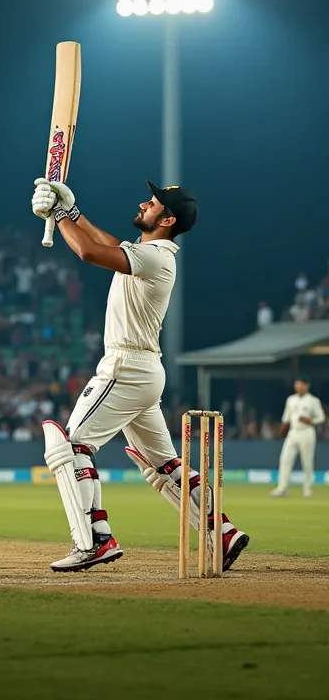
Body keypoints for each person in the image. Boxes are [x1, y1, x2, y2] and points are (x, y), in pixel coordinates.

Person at [31, 177, 250, 573]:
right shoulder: (153, 252)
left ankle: (96, 540)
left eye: (151, 204)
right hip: (144, 370)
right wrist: (74, 214)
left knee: (71, 446)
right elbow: (110, 245)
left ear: (166, 220)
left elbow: (88, 252)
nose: (143, 204)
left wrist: (57, 214)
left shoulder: (158, 256)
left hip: (126, 367)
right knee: (163, 466)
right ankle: (222, 532)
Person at [271, 376, 325, 498]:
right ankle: (282, 487)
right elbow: (286, 417)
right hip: (293, 432)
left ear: (307, 386)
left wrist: (310, 420)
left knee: (307, 461)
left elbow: (321, 418)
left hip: (307, 432)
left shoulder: (313, 401)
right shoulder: (291, 400)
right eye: (297, 384)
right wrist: (283, 429)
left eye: (301, 384)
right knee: (285, 459)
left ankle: (307, 488)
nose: (299, 387)